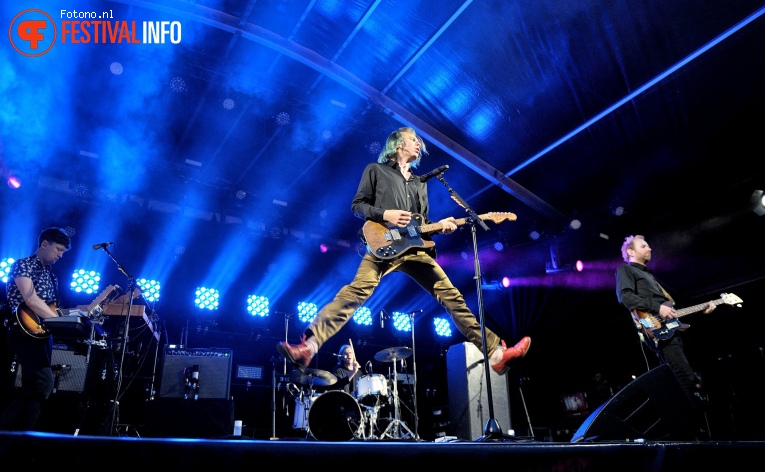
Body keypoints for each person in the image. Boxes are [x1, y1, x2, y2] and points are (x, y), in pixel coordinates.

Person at [277, 126, 531, 376]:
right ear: (398, 145)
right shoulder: (375, 170)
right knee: (355, 292)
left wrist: (442, 227)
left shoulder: (420, 184)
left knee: (453, 298)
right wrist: (384, 213)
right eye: (413, 139)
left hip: (415, 251)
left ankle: (496, 354)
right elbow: (358, 206)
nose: (419, 144)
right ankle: (308, 347)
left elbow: (420, 227)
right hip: (383, 244)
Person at [615, 235, 713, 425]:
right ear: (630, 251)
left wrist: (705, 307)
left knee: (685, 379)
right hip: (658, 331)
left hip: (672, 331)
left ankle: (693, 429)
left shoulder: (650, 277)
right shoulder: (625, 270)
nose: (650, 248)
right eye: (644, 245)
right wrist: (657, 307)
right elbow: (625, 298)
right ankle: (689, 433)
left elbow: (672, 311)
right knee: (686, 379)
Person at [0, 227, 71, 431]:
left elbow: (52, 308)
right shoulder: (23, 264)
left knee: (32, 387)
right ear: (44, 244)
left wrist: (76, 314)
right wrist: (60, 321)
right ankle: (21, 433)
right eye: (58, 249)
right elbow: (30, 299)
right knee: (44, 383)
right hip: (22, 330)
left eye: (63, 251)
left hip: (42, 333)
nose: (61, 255)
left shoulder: (52, 276)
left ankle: (14, 434)